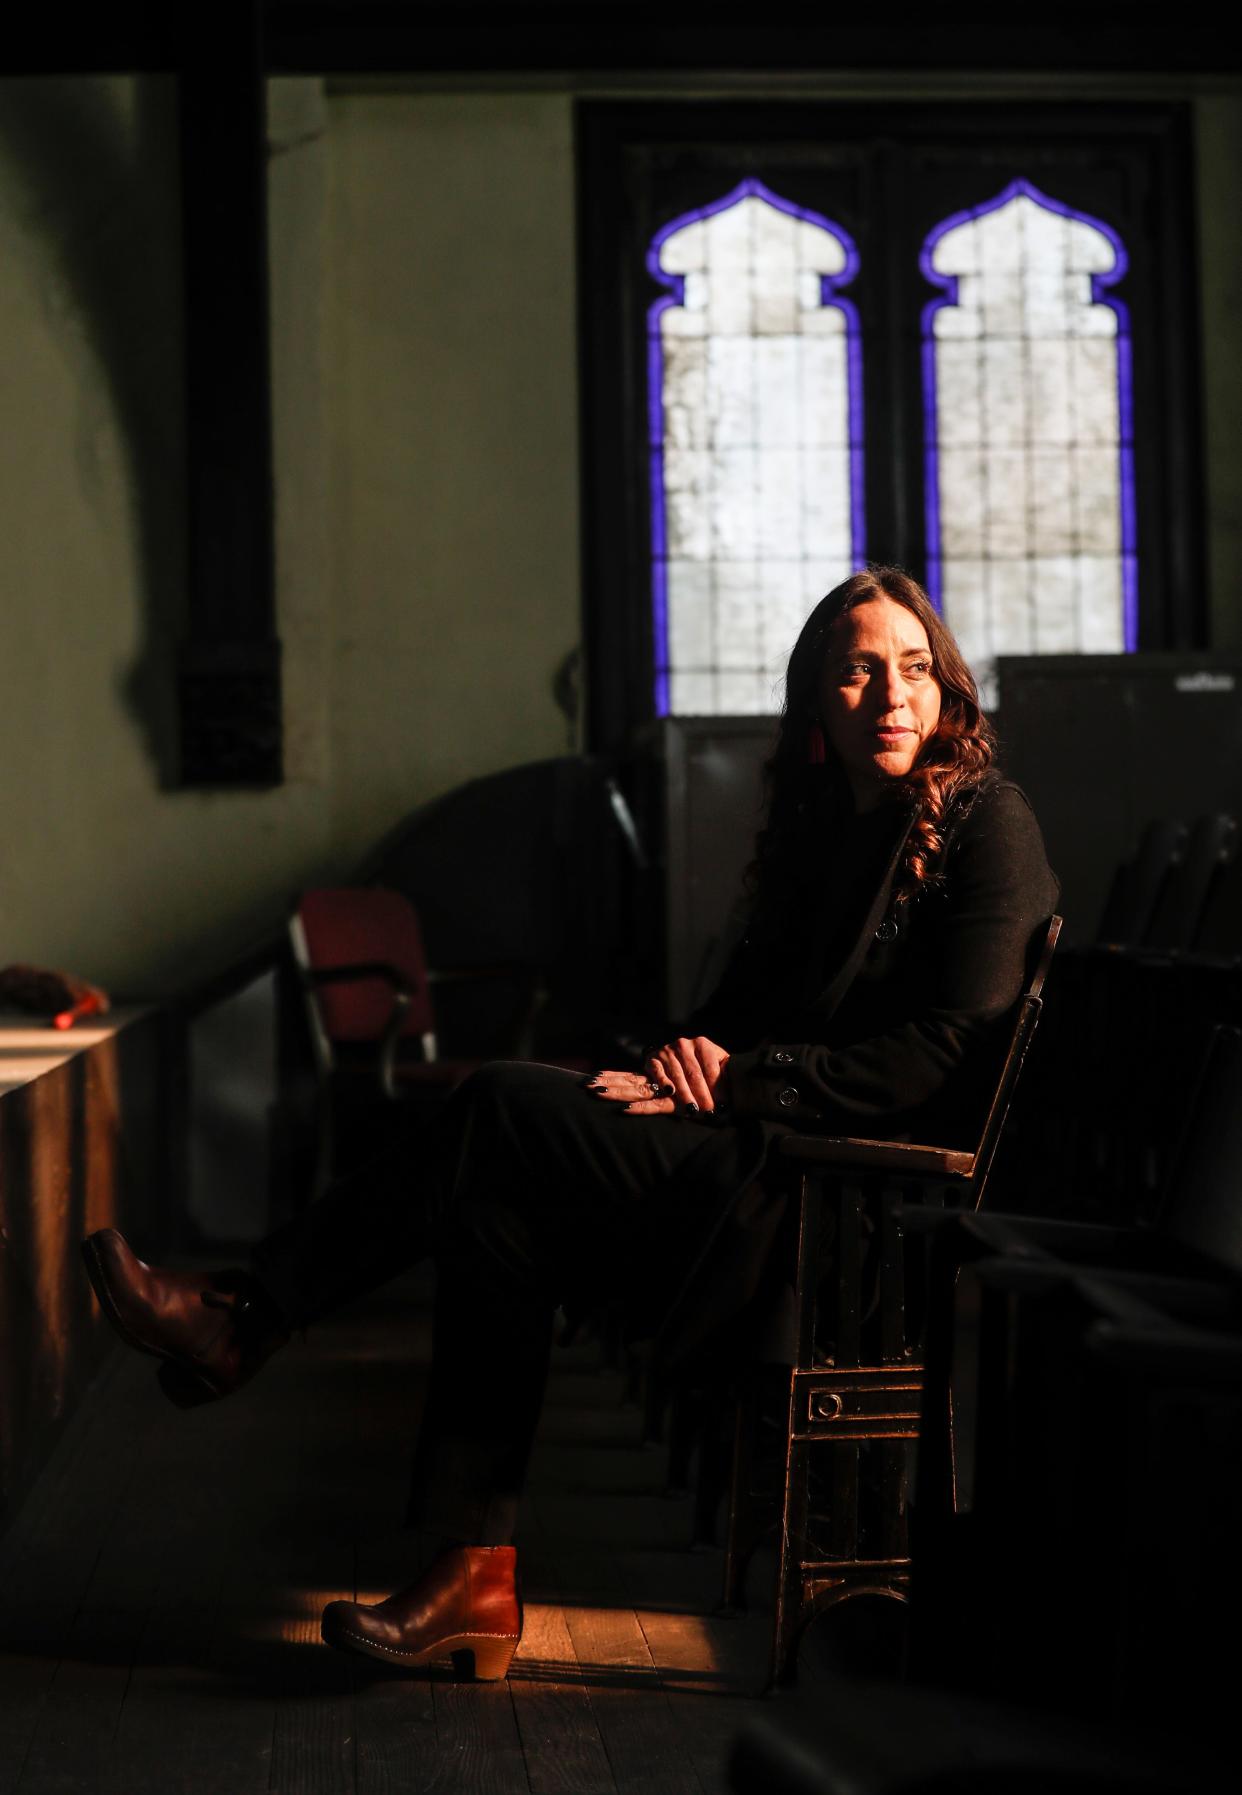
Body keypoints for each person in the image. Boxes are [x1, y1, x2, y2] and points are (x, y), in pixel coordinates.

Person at [80, 566, 1058, 1684]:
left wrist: (741, 1082)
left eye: (915, 669)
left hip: (844, 1214)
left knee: (499, 1100)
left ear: (946, 691)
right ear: (817, 711)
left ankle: (248, 1314)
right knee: (498, 1207)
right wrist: (668, 1066)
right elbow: (724, 1023)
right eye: (859, 671)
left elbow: (951, 1056)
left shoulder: (990, 825)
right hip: (753, 1169)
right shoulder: (824, 836)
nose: (892, 692)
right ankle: (473, 1573)